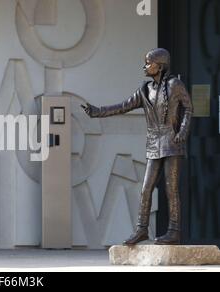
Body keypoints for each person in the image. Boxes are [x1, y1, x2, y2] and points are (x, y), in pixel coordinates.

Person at [81, 48, 193, 245]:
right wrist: (97, 112)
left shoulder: (175, 84)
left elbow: (188, 108)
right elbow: (123, 106)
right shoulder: (144, 90)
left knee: (171, 188)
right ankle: (141, 229)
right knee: (145, 188)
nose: (145, 66)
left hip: (171, 143)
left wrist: (183, 131)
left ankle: (174, 230)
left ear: (160, 65)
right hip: (153, 143)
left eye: (149, 63)